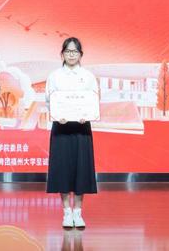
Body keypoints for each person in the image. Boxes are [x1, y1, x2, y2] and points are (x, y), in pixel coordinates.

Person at [45, 37, 98, 229]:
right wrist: (57, 114)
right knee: (63, 169)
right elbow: (49, 100)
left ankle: (78, 212)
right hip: (61, 127)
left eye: (75, 51)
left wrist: (87, 114)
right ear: (62, 54)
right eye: (68, 51)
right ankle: (67, 211)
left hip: (82, 127)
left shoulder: (88, 76)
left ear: (80, 54)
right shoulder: (54, 76)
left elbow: (93, 100)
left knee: (81, 168)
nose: (71, 55)